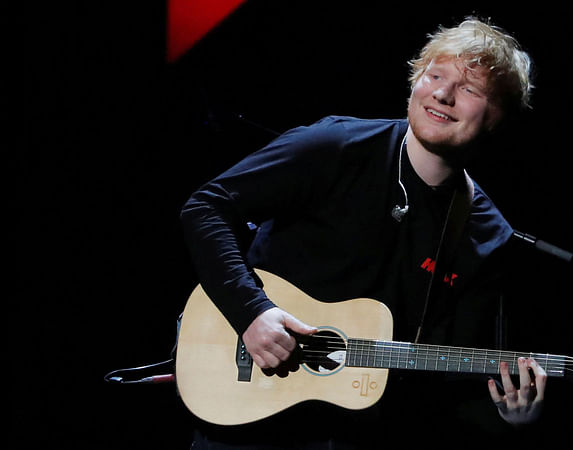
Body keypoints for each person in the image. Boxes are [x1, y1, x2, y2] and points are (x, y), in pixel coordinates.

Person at [181, 16, 546, 449]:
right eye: (435, 75)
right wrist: (251, 312)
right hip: (251, 412)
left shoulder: (484, 233)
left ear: (497, 116)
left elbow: (443, 380)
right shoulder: (336, 146)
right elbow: (206, 207)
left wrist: (507, 416)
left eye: (470, 89)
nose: (443, 95)